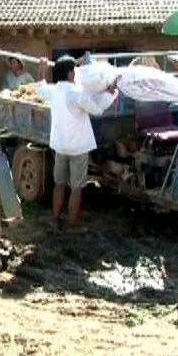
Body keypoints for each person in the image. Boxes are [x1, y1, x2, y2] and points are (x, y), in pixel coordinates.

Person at [36, 56, 117, 232]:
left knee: (59, 184)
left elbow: (40, 88)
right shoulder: (76, 94)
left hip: (60, 145)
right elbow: (96, 109)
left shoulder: (53, 91)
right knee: (77, 187)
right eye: (74, 70)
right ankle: (72, 224)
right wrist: (110, 93)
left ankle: (55, 219)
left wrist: (42, 68)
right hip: (78, 147)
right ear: (70, 73)